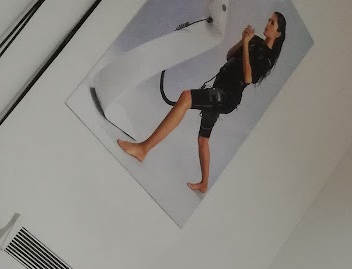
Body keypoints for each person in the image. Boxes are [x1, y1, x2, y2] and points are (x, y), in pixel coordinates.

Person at [117, 11, 286, 193]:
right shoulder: (256, 41)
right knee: (203, 139)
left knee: (186, 97)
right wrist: (242, 40)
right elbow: (229, 56)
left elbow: (248, 78)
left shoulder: (267, 59)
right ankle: (204, 184)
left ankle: (143, 149)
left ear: (278, 33)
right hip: (219, 88)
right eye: (269, 20)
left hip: (227, 97)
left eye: (272, 23)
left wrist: (246, 44)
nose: (268, 24)